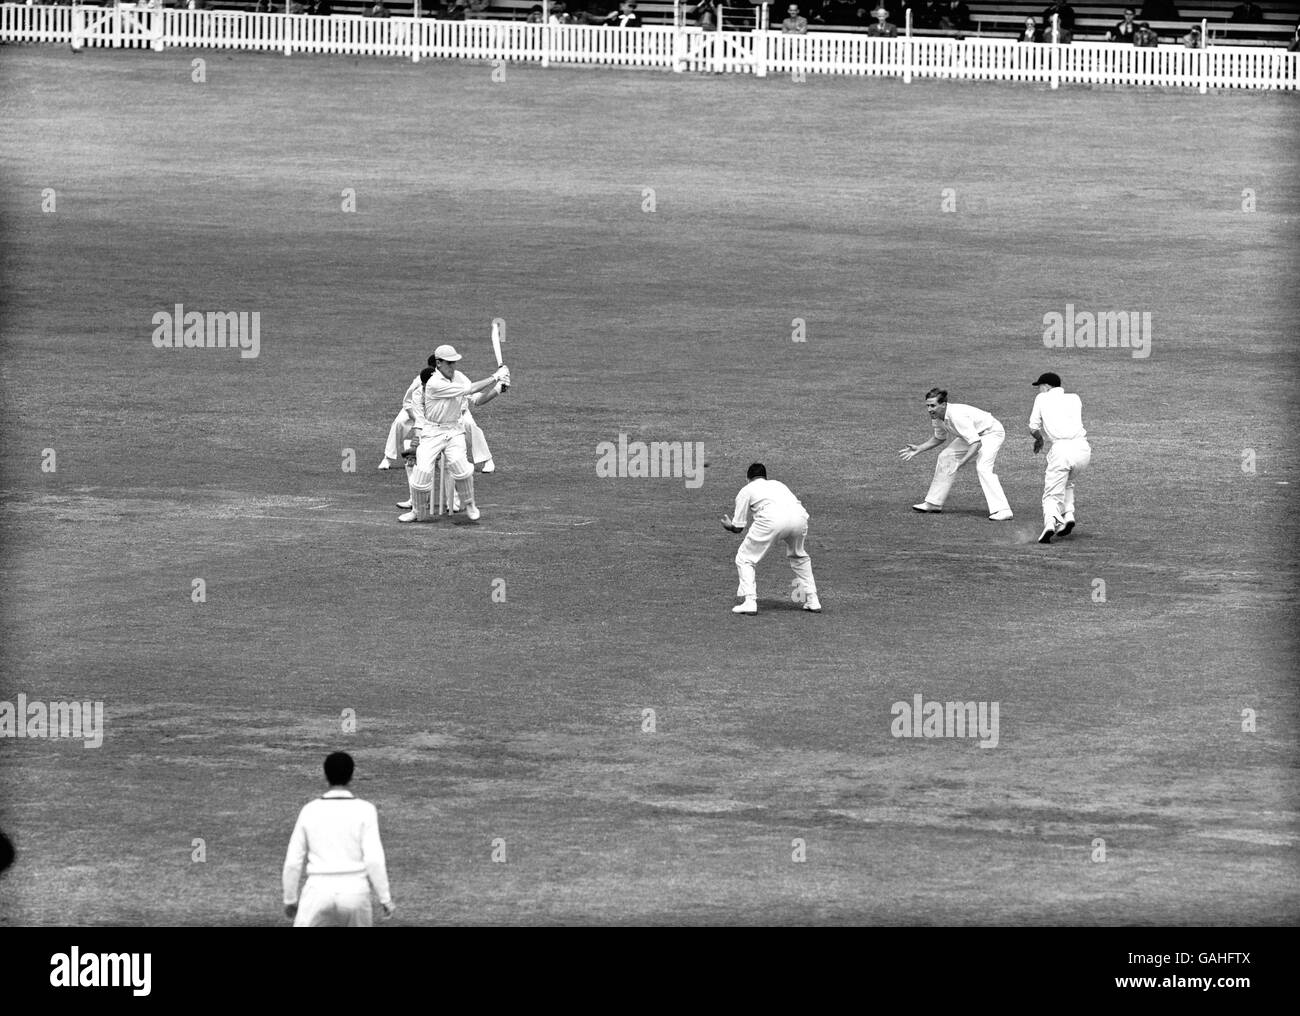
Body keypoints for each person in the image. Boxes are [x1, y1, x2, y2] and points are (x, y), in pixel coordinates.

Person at [282, 752, 395, 928]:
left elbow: (293, 861)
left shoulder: (310, 810)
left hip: (317, 892)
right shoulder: (366, 810)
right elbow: (374, 859)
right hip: (355, 892)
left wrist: (290, 899)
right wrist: (385, 898)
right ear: (352, 776)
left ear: (325, 775)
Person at [402, 344, 508, 523]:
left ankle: (470, 504)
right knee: (421, 476)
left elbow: (477, 399)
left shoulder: (459, 377)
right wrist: (496, 375)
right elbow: (470, 389)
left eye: (454, 363)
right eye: (449, 363)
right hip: (432, 432)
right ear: (439, 363)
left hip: (454, 430)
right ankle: (417, 512)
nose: (453, 367)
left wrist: (498, 388)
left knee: (462, 468)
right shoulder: (434, 382)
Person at [898, 388, 1013, 521]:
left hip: (991, 433)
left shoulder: (957, 416)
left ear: (943, 404)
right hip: (973, 435)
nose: (930, 409)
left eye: (933, 405)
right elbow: (939, 438)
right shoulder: (937, 417)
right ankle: (934, 503)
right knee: (946, 456)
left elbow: (976, 444)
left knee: (983, 468)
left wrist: (961, 462)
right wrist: (919, 448)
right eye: (928, 406)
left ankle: (1003, 510)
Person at [721, 463, 821, 615]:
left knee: (744, 558)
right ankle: (813, 600)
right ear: (765, 477)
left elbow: (738, 527)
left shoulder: (746, 490)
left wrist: (729, 526)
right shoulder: (778, 484)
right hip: (799, 518)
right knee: (799, 556)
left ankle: (749, 601)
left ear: (747, 478)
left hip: (772, 520)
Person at [1028, 372, 1090, 544]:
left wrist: (1039, 440)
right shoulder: (1075, 398)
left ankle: (1050, 524)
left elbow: (1033, 427)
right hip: (1083, 449)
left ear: (1047, 387)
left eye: (1039, 387)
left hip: (1062, 450)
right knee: (1066, 483)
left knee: (1051, 494)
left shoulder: (1041, 399)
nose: (1038, 390)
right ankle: (1068, 515)